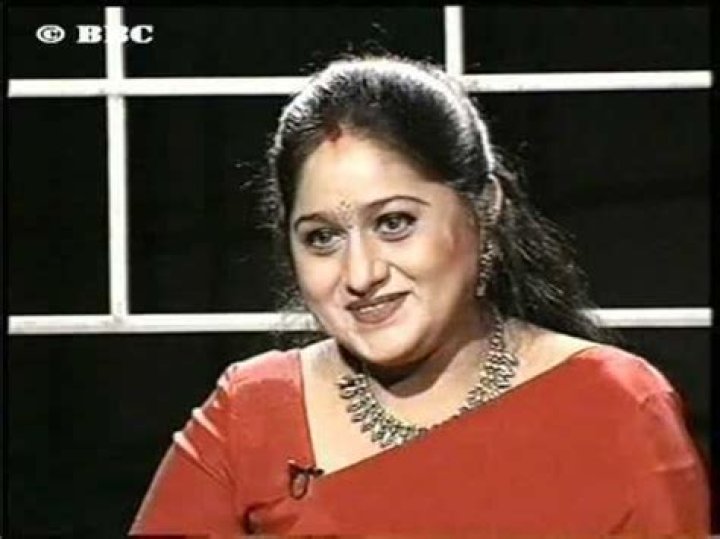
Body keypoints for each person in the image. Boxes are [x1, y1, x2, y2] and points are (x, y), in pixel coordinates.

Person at [129, 54, 709, 536]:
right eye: (322, 237)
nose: (360, 274)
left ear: (485, 208)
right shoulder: (251, 411)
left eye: (395, 223)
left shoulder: (614, 404)